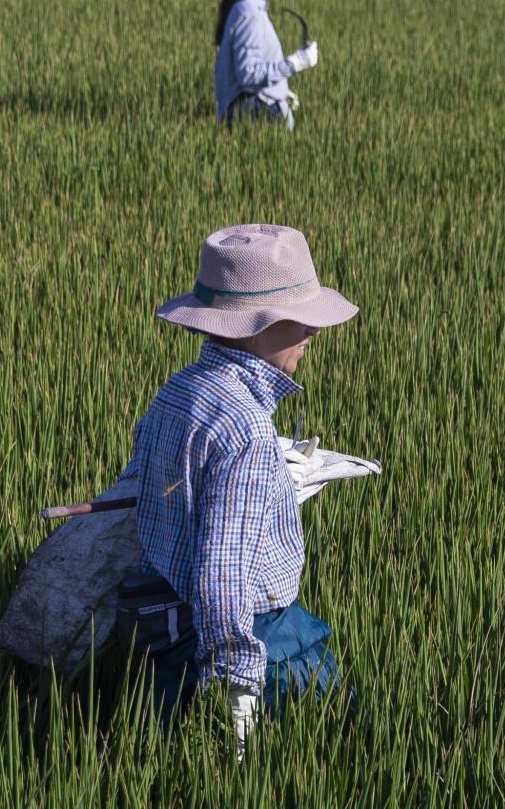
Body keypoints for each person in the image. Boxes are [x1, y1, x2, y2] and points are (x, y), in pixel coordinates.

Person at [115, 224, 358, 760]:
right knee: (339, 732)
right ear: (254, 329)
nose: (313, 335)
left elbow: (144, 486)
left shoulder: (177, 391)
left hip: (160, 624)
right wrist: (237, 690)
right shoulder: (246, 430)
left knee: (165, 756)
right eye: (300, 322)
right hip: (258, 638)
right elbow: (224, 576)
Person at [212, 0, 318, 130]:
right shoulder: (249, 13)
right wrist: (295, 63)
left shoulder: (242, 8)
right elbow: (248, 75)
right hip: (259, 113)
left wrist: (279, 89)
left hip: (256, 109)